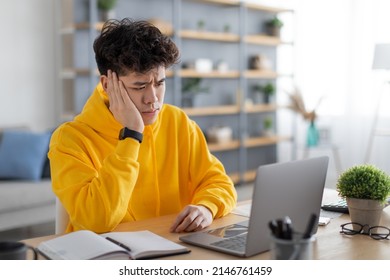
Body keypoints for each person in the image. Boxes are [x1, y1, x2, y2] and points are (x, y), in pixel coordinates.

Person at [49, 18, 237, 234]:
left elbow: (220, 183)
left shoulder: (178, 122)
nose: (153, 99)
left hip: (173, 250)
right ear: (107, 85)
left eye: (160, 83)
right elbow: (96, 220)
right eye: (140, 86)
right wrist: (131, 135)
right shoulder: (69, 139)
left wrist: (206, 207)